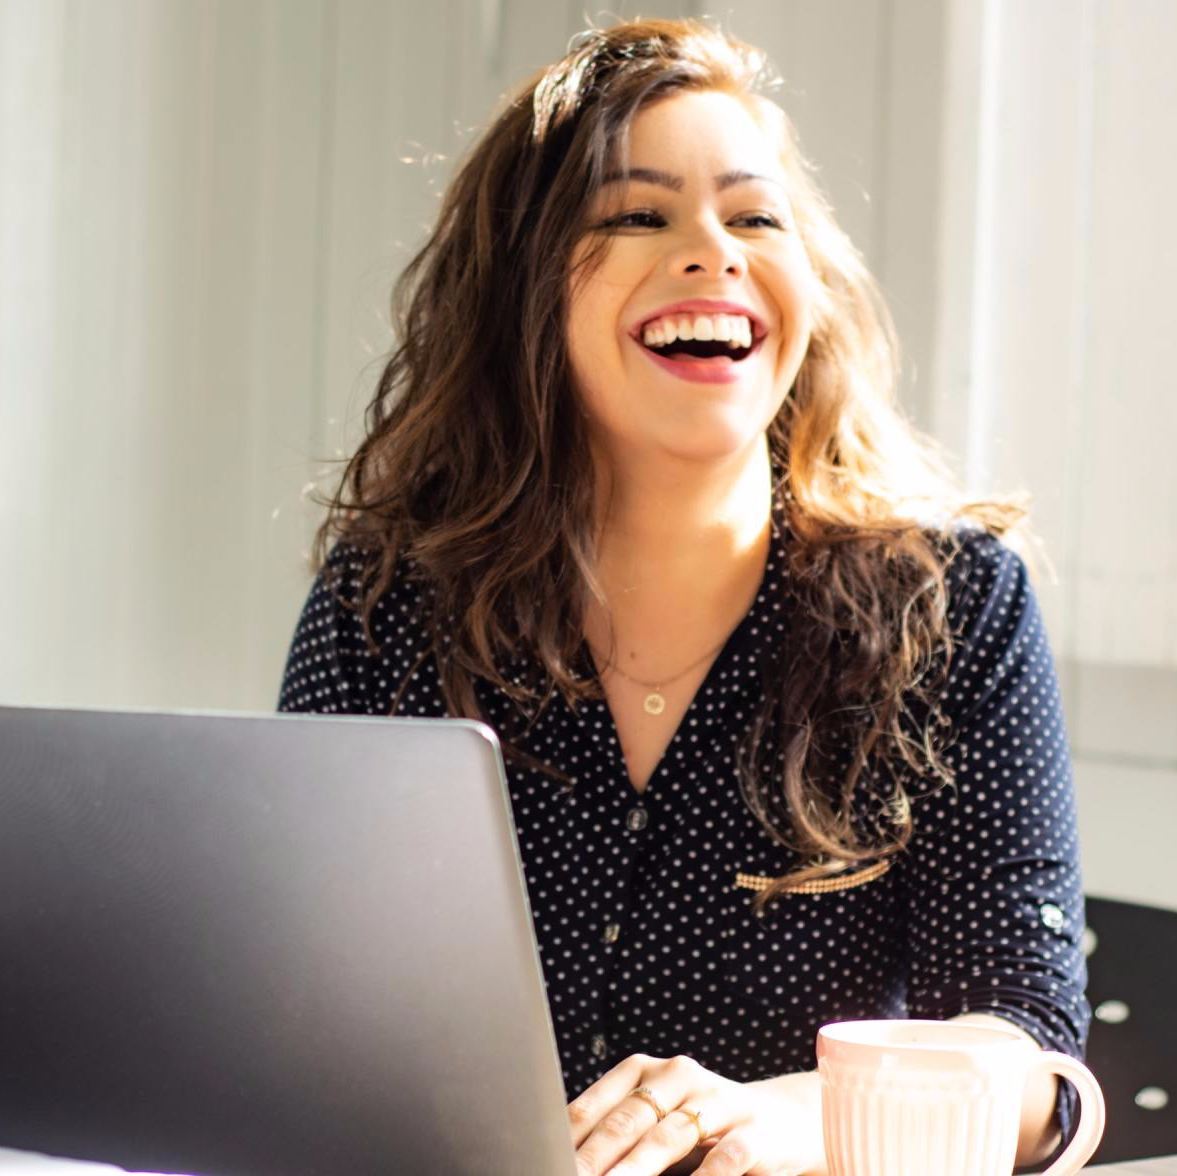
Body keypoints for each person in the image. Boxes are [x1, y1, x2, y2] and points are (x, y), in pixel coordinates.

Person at [279, 18, 1089, 1176]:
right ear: (522, 293)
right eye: (636, 216)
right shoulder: (388, 603)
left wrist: (791, 1117)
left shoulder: (953, 610)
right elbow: (291, 1006)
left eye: (757, 217)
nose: (713, 252)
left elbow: (1029, 1058)